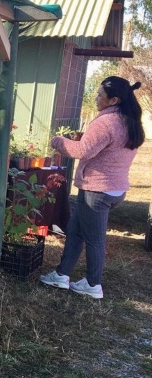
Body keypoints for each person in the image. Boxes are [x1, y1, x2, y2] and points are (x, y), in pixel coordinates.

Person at [40, 76, 145, 299]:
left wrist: (58, 141)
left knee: (95, 240)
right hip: (114, 189)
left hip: (97, 191)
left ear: (114, 99)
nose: (96, 98)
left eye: (100, 96)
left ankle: (93, 284)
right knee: (76, 232)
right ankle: (61, 274)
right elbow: (104, 147)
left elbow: (82, 152)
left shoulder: (106, 121)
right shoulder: (129, 120)